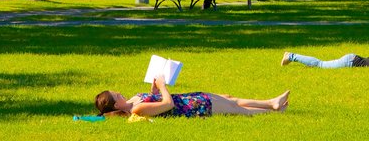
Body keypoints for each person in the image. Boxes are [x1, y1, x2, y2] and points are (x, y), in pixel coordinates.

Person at [95, 75, 288, 118]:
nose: (119, 92)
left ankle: (272, 104)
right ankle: (273, 108)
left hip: (189, 99)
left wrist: (154, 89)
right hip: (191, 107)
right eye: (116, 95)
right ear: (116, 106)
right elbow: (167, 104)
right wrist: (163, 86)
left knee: (231, 99)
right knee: (236, 109)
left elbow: (154, 98)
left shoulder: (132, 101)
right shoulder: (136, 109)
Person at [280, 42, 369, 70]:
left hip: (352, 60)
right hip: (350, 62)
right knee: (320, 64)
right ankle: (292, 56)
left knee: (320, 65)